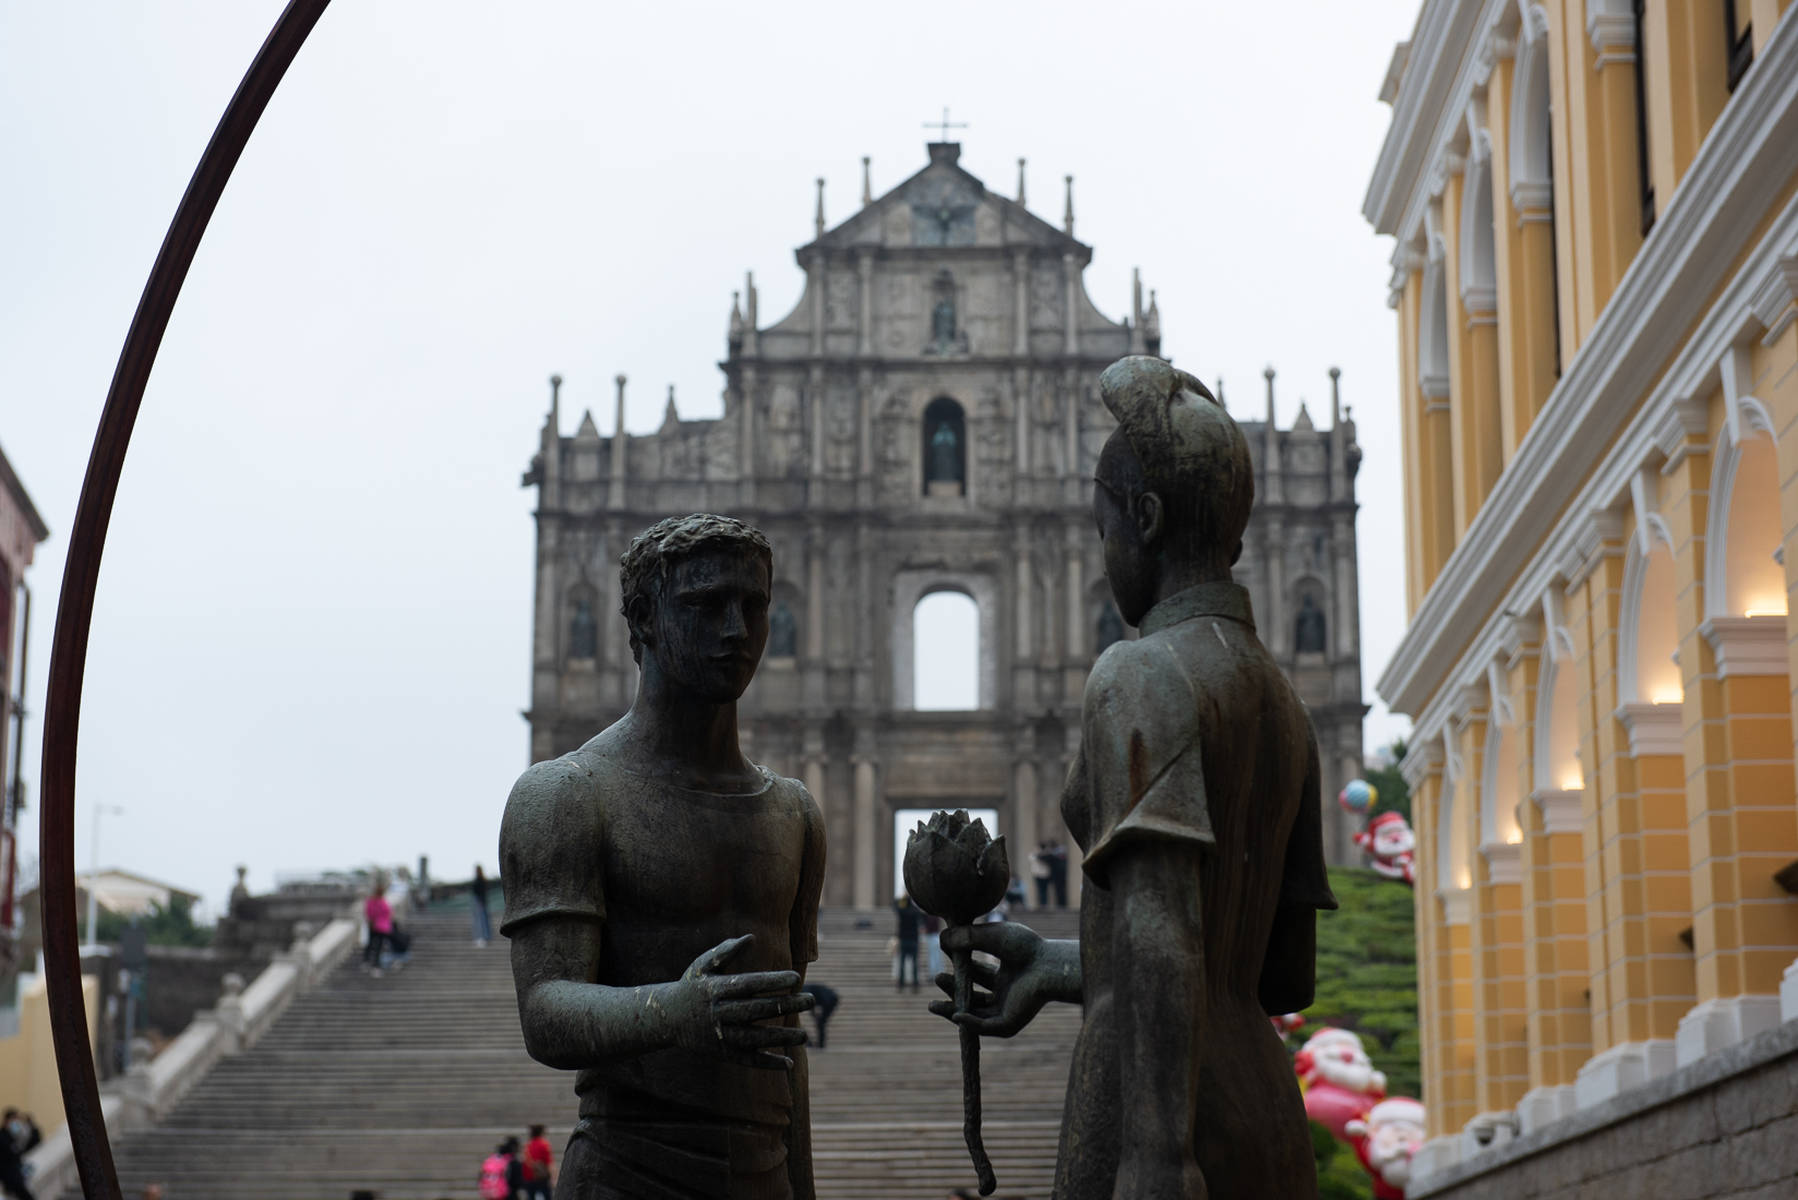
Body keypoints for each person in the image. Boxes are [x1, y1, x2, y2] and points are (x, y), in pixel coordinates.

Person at [929, 357, 1336, 1197]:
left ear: (1144, 519)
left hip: (1157, 1120)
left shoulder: (1139, 673)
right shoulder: (1285, 702)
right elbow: (1277, 974)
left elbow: (1163, 936)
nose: (1104, 550)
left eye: (1103, 527)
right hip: (1264, 1113)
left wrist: (1157, 1157)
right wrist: (1058, 964)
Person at [500, 513, 824, 1199]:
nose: (737, 631)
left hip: (765, 1178)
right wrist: (671, 1014)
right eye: (705, 606)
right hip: (628, 1170)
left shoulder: (794, 812)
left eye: (754, 606)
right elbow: (545, 1012)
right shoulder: (566, 794)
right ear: (643, 618)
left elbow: (783, 1048)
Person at [0, 1109, 35, 1200]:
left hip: (17, 1175)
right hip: (10, 1178)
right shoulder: (2, 1136)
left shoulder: (12, 1136)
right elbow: (10, 1154)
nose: (17, 1122)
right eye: (14, 1119)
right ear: (7, 1120)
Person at [892, 894, 921, 992]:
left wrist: (901, 900)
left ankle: (901, 984)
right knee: (914, 964)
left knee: (902, 963)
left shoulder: (902, 911)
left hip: (904, 940)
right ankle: (915, 984)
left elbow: (894, 906)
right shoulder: (915, 911)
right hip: (914, 940)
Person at [362, 883, 392, 977]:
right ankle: (374, 964)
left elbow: (369, 913)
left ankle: (368, 962)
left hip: (376, 926)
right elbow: (388, 913)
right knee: (376, 946)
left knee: (371, 944)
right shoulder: (381, 902)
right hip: (380, 927)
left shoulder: (372, 901)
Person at [800, 982, 839, 1050]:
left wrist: (816, 1013)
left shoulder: (805, 990)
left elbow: (811, 1001)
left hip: (829, 1000)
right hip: (829, 999)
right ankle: (819, 1044)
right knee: (821, 1023)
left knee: (821, 1023)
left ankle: (820, 1044)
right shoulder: (807, 990)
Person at [522, 1123, 554, 1199]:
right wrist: (553, 1177)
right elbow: (549, 1162)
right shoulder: (544, 1144)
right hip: (541, 1177)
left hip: (529, 1176)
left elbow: (524, 1160)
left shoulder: (528, 1145)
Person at [471, 864, 492, 947]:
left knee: (481, 921)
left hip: (480, 901)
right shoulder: (482, 880)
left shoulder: (479, 880)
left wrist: (480, 902)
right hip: (482, 901)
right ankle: (485, 937)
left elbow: (478, 891)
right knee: (483, 920)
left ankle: (483, 937)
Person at [921, 911, 944, 981]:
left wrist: (926, 930)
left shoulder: (930, 916)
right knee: (937, 957)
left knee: (933, 957)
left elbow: (929, 926)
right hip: (936, 935)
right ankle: (939, 972)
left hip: (932, 936)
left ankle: (933, 974)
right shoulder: (936, 915)